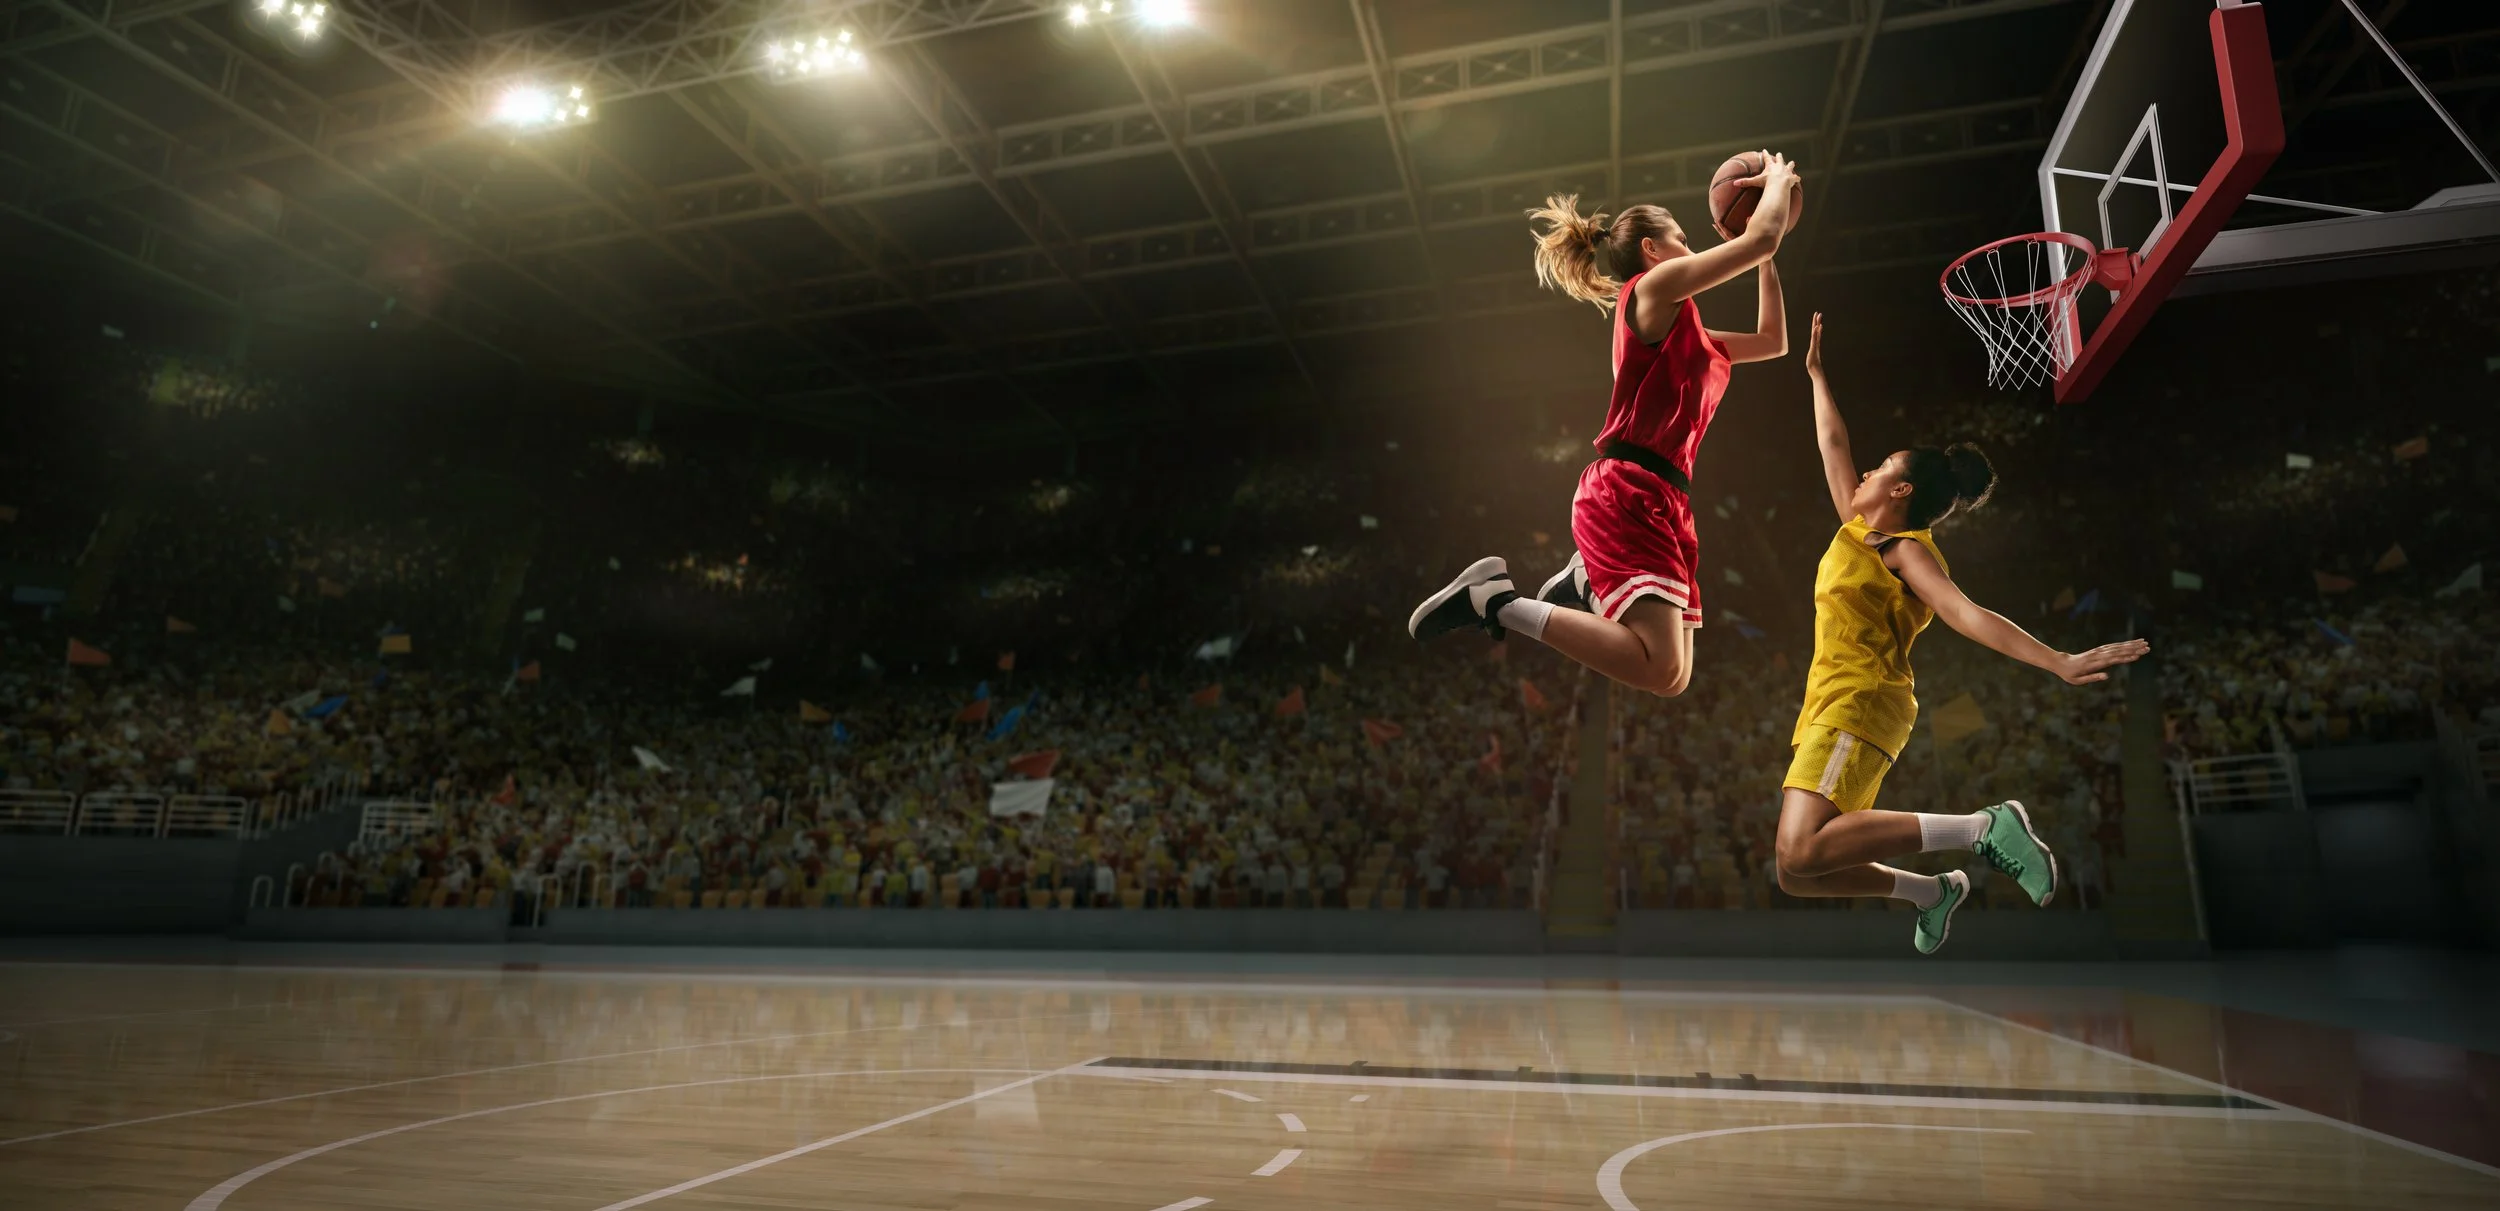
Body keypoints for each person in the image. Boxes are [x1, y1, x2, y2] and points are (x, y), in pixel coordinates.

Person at [1776, 313, 2151, 953]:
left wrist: (2055, 659)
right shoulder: (1858, 529)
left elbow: (1963, 612)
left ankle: (1984, 827)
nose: (1862, 471)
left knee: (1802, 846)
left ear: (1899, 489)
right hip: (1828, 704)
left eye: (1880, 467)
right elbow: (1833, 444)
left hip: (1860, 701)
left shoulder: (1904, 548)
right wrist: (1815, 374)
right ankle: (1934, 892)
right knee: (1796, 872)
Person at [1409, 155, 1802, 697]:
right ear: (1652, 250)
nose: (1692, 249)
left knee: (1674, 677)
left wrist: (1765, 247)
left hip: (1667, 496)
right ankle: (1494, 599)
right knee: (1660, 671)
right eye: (1683, 238)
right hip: (1627, 487)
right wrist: (1774, 190)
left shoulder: (1694, 331)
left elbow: (1772, 340)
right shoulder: (1650, 291)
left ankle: (1583, 582)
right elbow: (1759, 241)